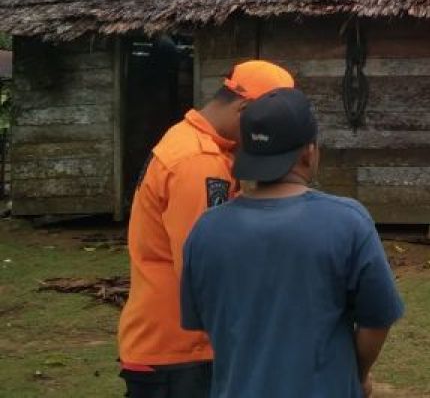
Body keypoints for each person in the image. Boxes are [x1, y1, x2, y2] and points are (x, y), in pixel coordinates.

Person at [181, 87, 404, 398]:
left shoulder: (205, 230)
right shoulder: (347, 222)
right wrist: (358, 373)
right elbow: (377, 320)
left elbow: (204, 320)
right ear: (309, 153)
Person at [118, 60, 295, 397]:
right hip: (180, 353)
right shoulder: (198, 162)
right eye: (267, 128)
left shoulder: (192, 142)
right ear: (245, 109)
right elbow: (203, 269)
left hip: (179, 347)